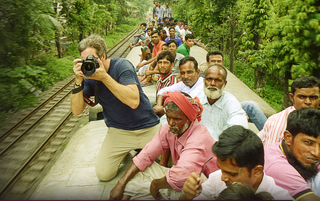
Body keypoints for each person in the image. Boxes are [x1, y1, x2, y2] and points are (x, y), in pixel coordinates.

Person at [71, 34, 161, 181]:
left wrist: (104, 78)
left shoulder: (122, 66)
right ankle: (128, 151)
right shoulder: (88, 77)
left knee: (172, 161)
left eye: (91, 59)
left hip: (147, 127)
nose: (88, 63)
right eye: (84, 60)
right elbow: (76, 111)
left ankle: (140, 149)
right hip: (119, 131)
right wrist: (78, 80)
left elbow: (133, 101)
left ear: (104, 56)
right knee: (104, 174)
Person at [109, 91, 219, 200]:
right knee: (140, 171)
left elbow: (179, 177)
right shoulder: (168, 129)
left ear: (189, 118)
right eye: (168, 117)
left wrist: (155, 184)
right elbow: (146, 155)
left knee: (144, 185)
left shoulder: (198, 138)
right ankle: (126, 193)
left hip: (206, 187)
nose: (171, 123)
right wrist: (120, 184)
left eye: (177, 119)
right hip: (185, 178)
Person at [179, 125, 293, 200]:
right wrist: (186, 197)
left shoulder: (279, 196)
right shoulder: (217, 179)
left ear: (257, 171)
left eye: (232, 174)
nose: (223, 177)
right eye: (221, 169)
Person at [204, 50, 268, 131]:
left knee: (250, 107)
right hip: (213, 106)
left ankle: (270, 134)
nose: (216, 63)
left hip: (223, 103)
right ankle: (269, 133)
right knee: (250, 107)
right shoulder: (203, 77)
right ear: (207, 63)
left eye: (219, 61)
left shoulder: (222, 74)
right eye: (213, 61)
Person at [264, 108, 320, 201]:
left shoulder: (293, 152)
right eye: (308, 143)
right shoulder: (275, 165)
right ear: (288, 138)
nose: (317, 153)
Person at [258, 76, 320, 148]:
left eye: (313, 97)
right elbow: (272, 156)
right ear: (292, 97)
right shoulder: (279, 123)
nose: (308, 102)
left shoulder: (316, 118)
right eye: (302, 97)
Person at [193, 64, 248, 141]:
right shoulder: (195, 97)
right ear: (204, 81)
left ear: (224, 84)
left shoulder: (231, 103)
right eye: (209, 79)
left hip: (221, 149)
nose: (212, 83)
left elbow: (239, 131)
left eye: (218, 80)